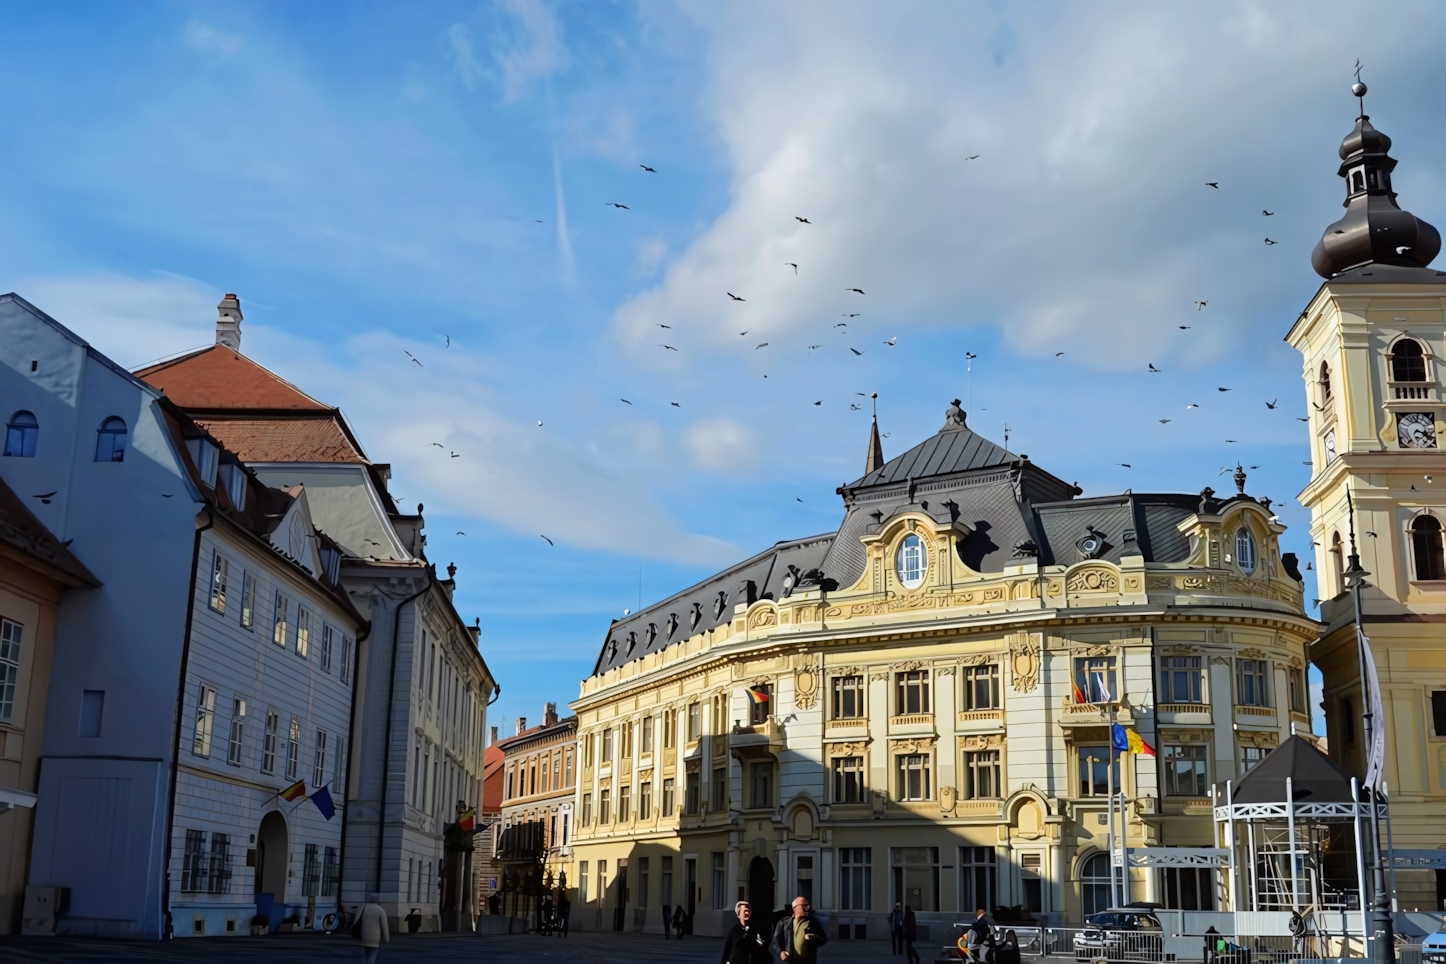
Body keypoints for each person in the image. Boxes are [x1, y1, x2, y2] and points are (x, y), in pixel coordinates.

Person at [772, 895, 829, 964]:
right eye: (804, 906)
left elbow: (823, 939)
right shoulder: (784, 923)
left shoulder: (812, 922)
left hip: (808, 961)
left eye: (808, 906)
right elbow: (775, 941)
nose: (807, 908)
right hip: (791, 961)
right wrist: (781, 952)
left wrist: (816, 938)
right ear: (794, 908)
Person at [354, 895, 390, 964]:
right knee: (371, 956)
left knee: (365, 955)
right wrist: (386, 939)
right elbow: (384, 926)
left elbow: (355, 922)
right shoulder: (380, 909)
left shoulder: (362, 908)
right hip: (375, 937)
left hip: (364, 935)